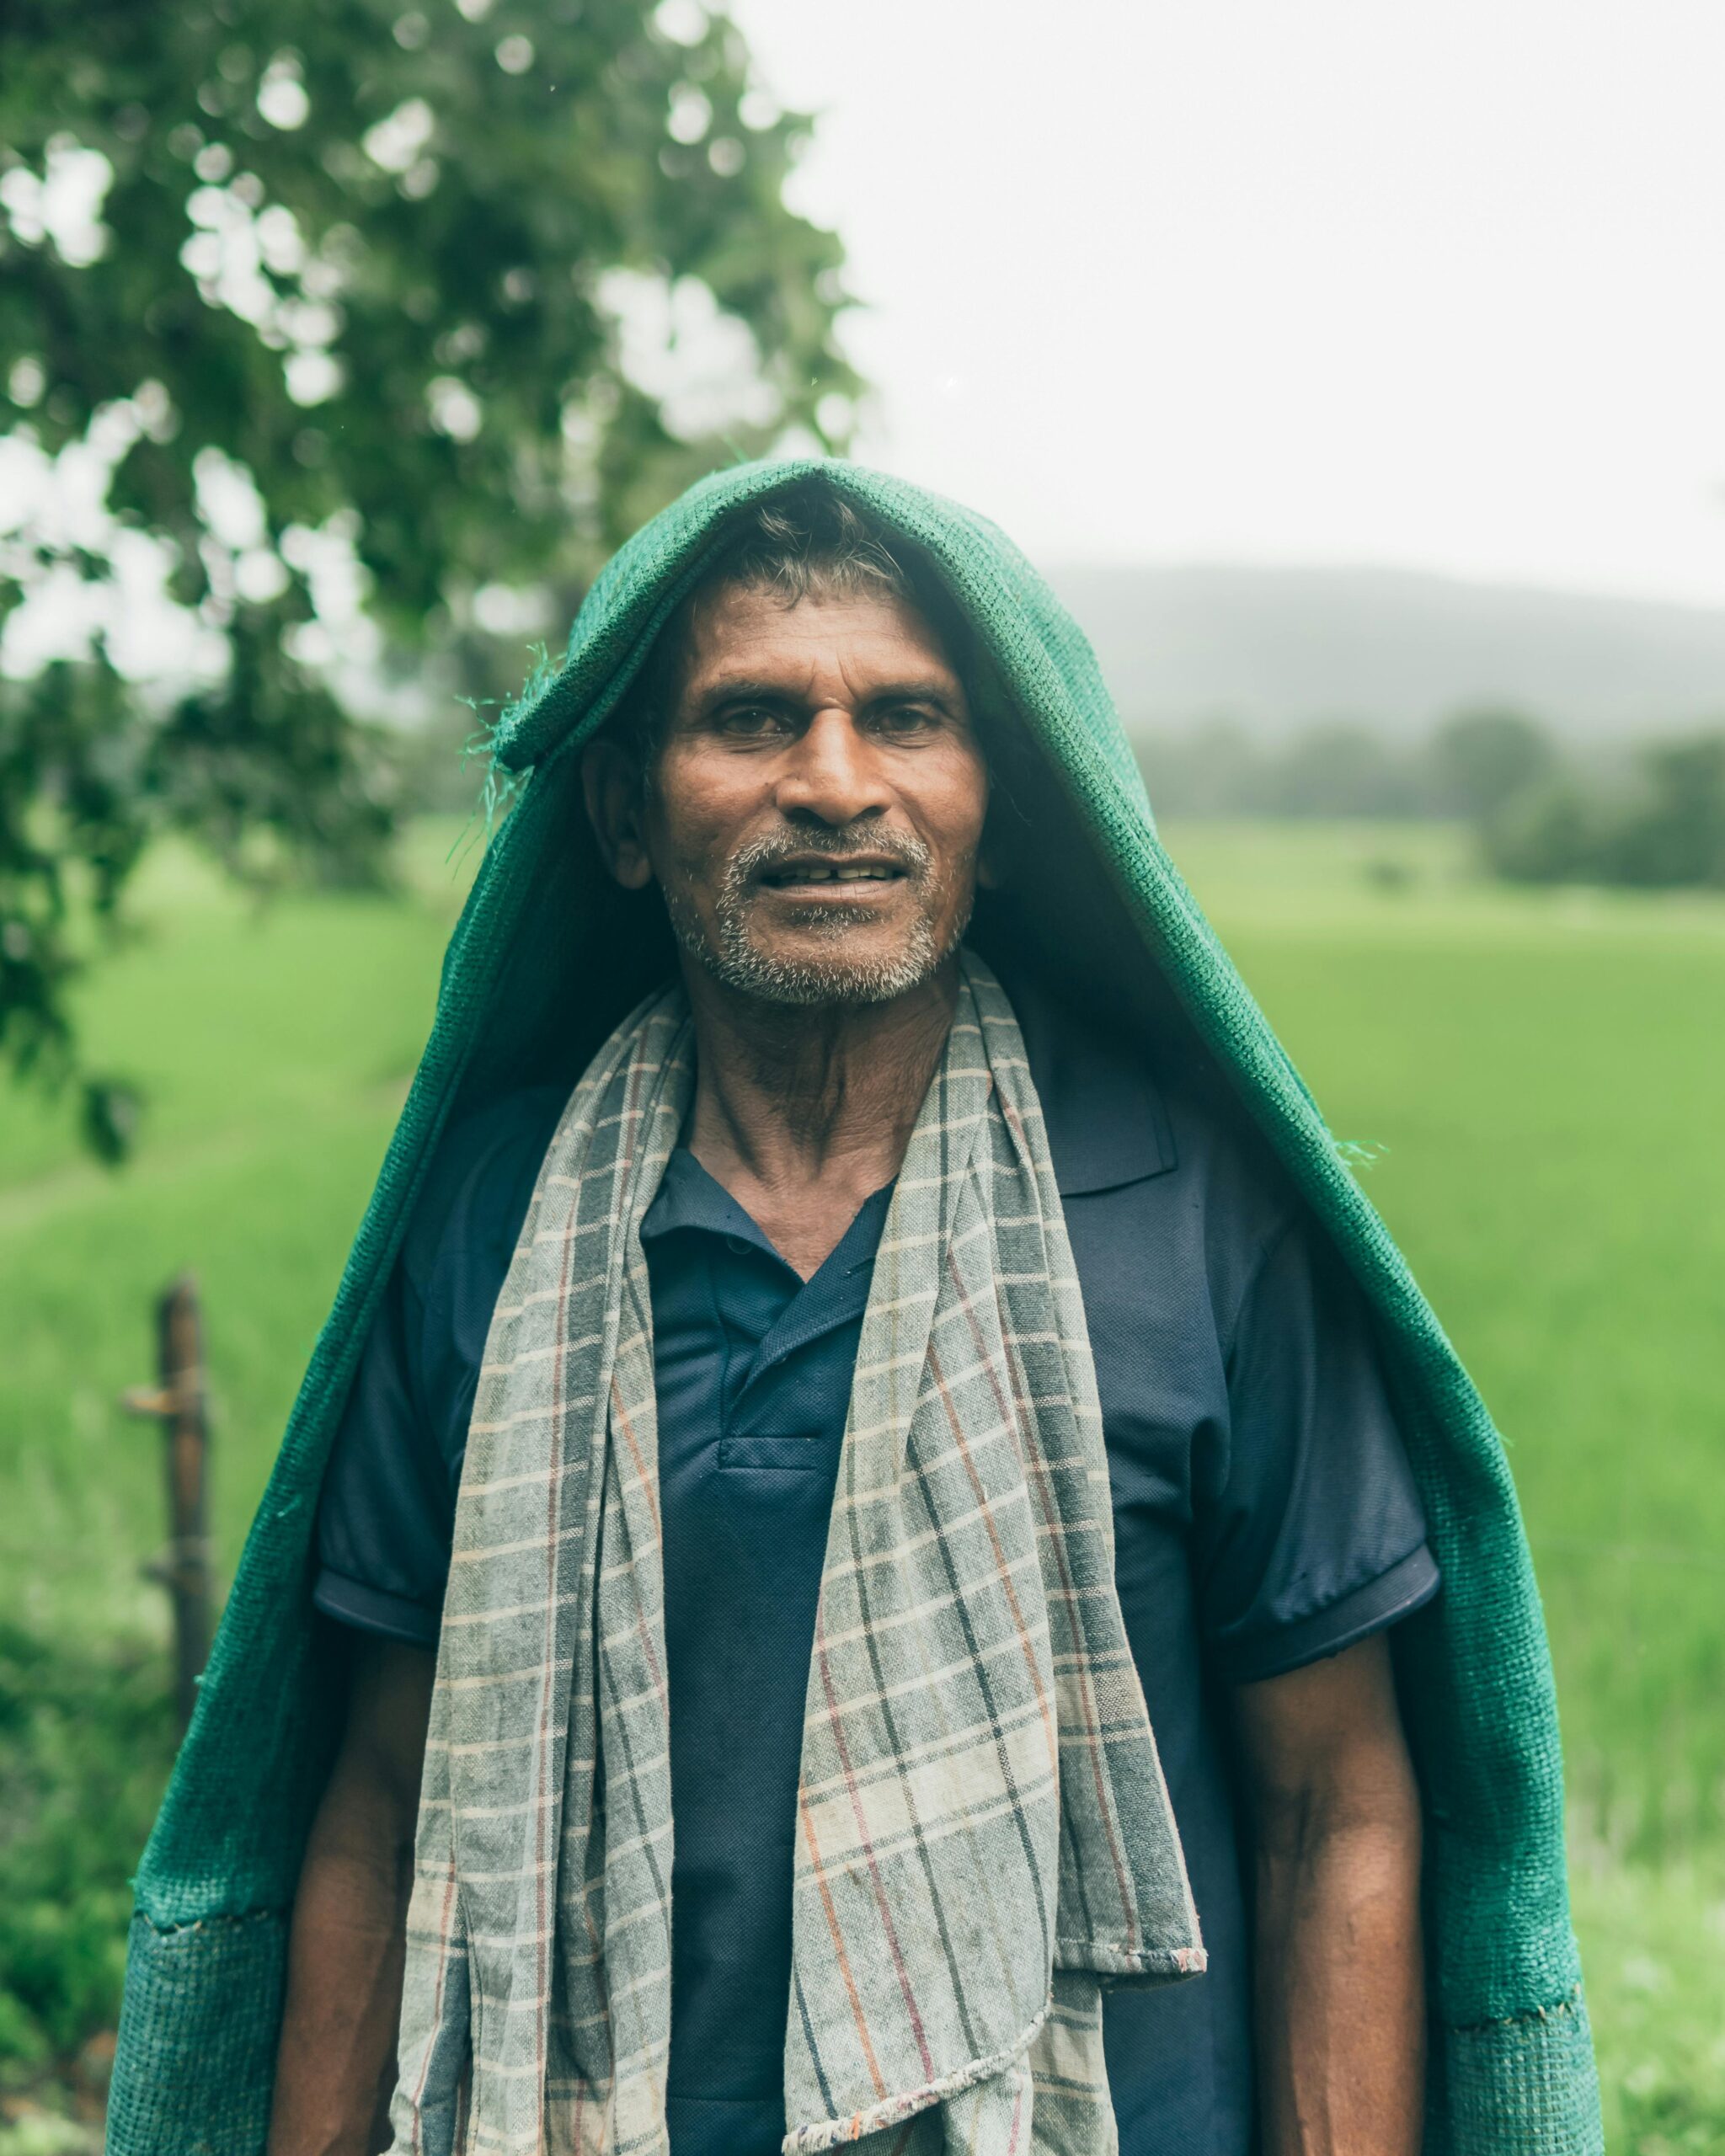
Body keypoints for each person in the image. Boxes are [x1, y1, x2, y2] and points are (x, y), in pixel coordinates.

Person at [107, 467, 1601, 2156]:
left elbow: (1335, 1804)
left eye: (905, 715)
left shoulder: (1192, 1219)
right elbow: (380, 1798)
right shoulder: (490, 1227)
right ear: (617, 810)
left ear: (999, 803)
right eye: (750, 716)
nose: (833, 782)